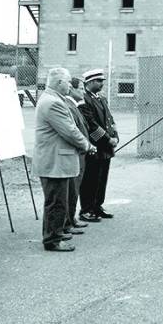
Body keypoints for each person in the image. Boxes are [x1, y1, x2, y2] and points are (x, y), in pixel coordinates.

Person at [33, 68, 95, 252]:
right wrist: (87, 145)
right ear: (59, 82)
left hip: (56, 161)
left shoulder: (52, 99)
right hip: (54, 163)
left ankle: (56, 233)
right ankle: (53, 240)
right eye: (68, 82)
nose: (70, 85)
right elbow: (70, 131)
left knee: (58, 200)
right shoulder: (53, 103)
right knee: (56, 202)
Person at [79, 69, 119, 222]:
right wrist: (108, 139)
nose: (102, 83)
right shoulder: (84, 100)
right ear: (89, 82)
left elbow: (110, 120)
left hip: (106, 148)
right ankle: (86, 209)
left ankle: (97, 206)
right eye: (99, 81)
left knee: (102, 179)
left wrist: (115, 136)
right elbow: (91, 125)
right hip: (95, 146)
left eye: (102, 81)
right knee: (90, 179)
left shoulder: (102, 99)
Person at [64, 77, 90, 235]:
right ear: (71, 89)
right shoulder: (68, 106)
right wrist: (86, 145)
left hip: (80, 153)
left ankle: (71, 218)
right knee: (71, 188)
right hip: (75, 152)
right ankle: (67, 221)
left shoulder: (75, 106)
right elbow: (73, 131)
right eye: (80, 88)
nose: (83, 92)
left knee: (75, 188)